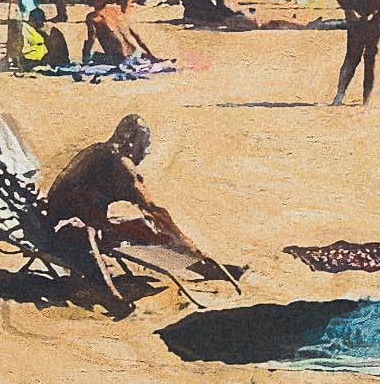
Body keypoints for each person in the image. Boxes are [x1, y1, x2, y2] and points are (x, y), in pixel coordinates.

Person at [37, 115, 238, 296]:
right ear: (132, 143)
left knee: (144, 227)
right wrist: (187, 243)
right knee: (150, 229)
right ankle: (202, 266)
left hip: (72, 224)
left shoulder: (98, 151)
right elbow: (153, 209)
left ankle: (201, 267)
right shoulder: (120, 164)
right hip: (73, 233)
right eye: (145, 144)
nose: (146, 152)